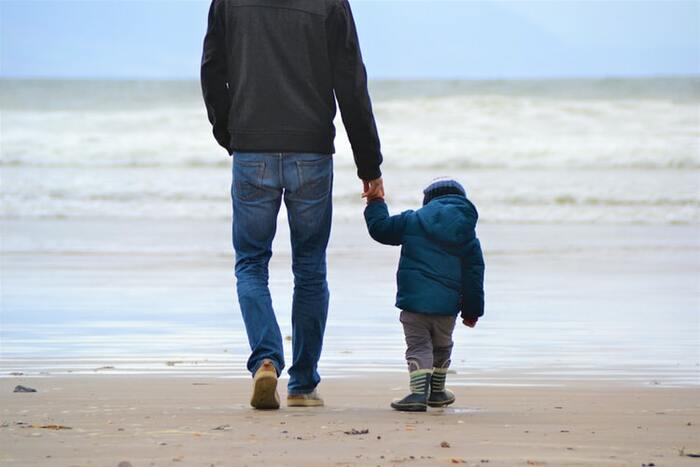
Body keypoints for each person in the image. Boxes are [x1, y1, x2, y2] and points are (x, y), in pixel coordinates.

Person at [201, 0, 384, 410]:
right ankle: (302, 384)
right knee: (310, 268)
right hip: (311, 152)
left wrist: (230, 134)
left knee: (251, 264)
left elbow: (212, 71)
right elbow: (351, 82)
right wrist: (369, 165)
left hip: (252, 149)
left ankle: (266, 360)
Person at [364, 178, 485, 412]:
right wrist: (472, 311)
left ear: (428, 200)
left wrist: (375, 201)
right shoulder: (466, 233)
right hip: (447, 307)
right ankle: (437, 392)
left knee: (419, 346)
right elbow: (474, 274)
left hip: (414, 303)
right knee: (442, 346)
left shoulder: (412, 220)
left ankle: (418, 394)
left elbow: (380, 229)